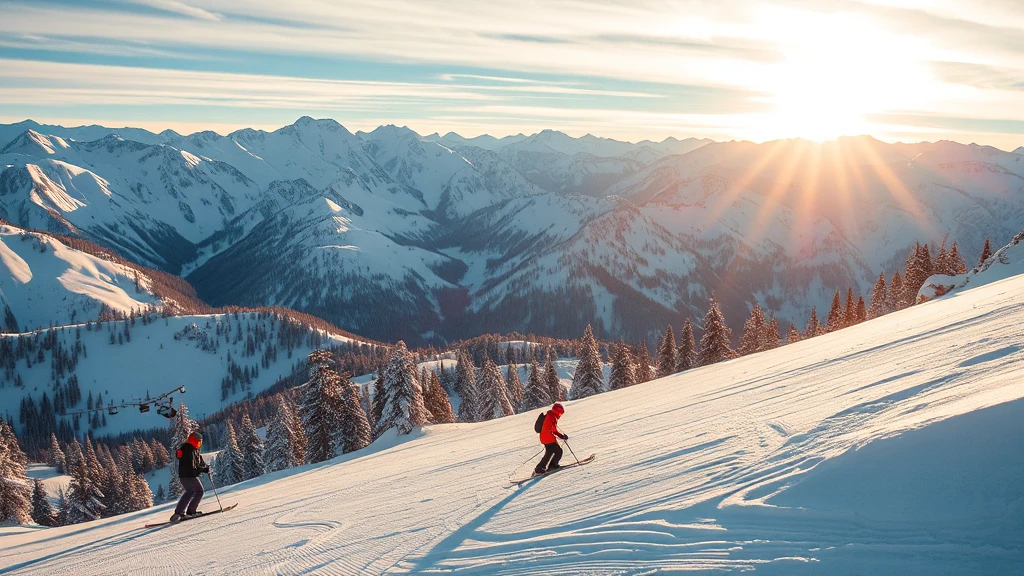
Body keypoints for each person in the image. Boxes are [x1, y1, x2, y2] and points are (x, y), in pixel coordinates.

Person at [171, 431, 210, 522]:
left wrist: (205, 467)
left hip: (184, 476)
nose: (200, 443)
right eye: (199, 441)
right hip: (189, 475)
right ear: (195, 441)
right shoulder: (190, 450)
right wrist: (203, 469)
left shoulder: (190, 449)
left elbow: (198, 463)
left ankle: (179, 513)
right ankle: (189, 512)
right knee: (198, 491)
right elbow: (192, 466)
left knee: (190, 492)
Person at [534, 403, 568, 475]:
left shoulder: (550, 415)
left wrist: (561, 436)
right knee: (558, 451)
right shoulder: (551, 416)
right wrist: (561, 437)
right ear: (557, 411)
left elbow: (552, 429)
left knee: (549, 453)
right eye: (560, 413)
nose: (560, 415)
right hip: (548, 438)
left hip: (544, 438)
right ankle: (551, 466)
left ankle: (540, 468)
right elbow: (552, 430)